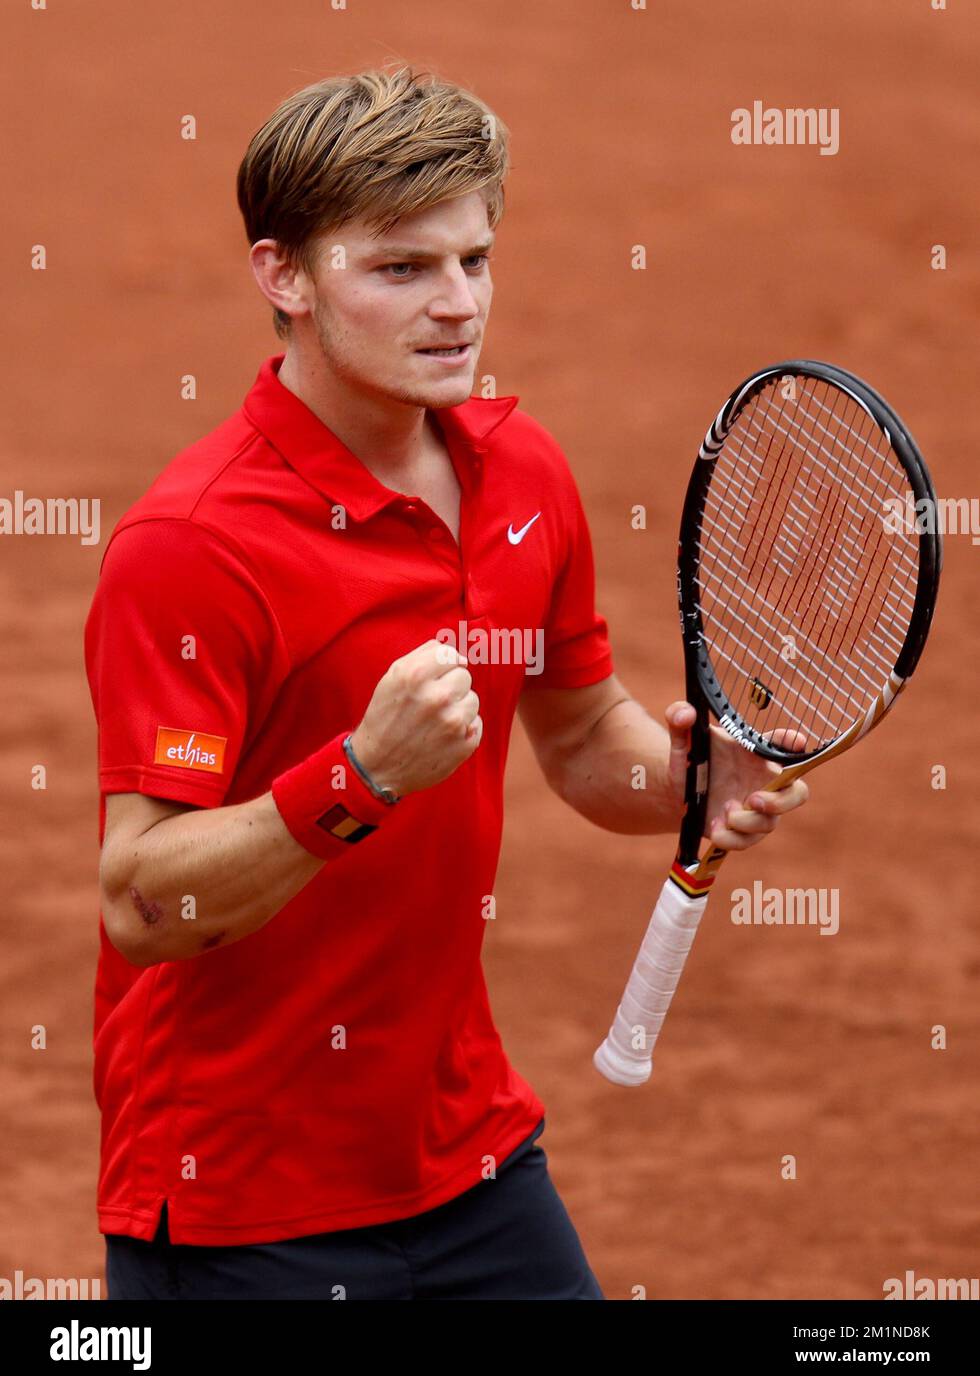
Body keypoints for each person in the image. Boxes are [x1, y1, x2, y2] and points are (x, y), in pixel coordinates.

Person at [84, 65, 809, 1301]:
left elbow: (581, 738)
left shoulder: (517, 471)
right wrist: (360, 778)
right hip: (239, 1203)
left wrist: (688, 777)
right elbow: (141, 906)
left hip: (466, 1159)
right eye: (400, 269)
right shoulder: (194, 548)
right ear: (284, 276)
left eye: (475, 259)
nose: (457, 306)